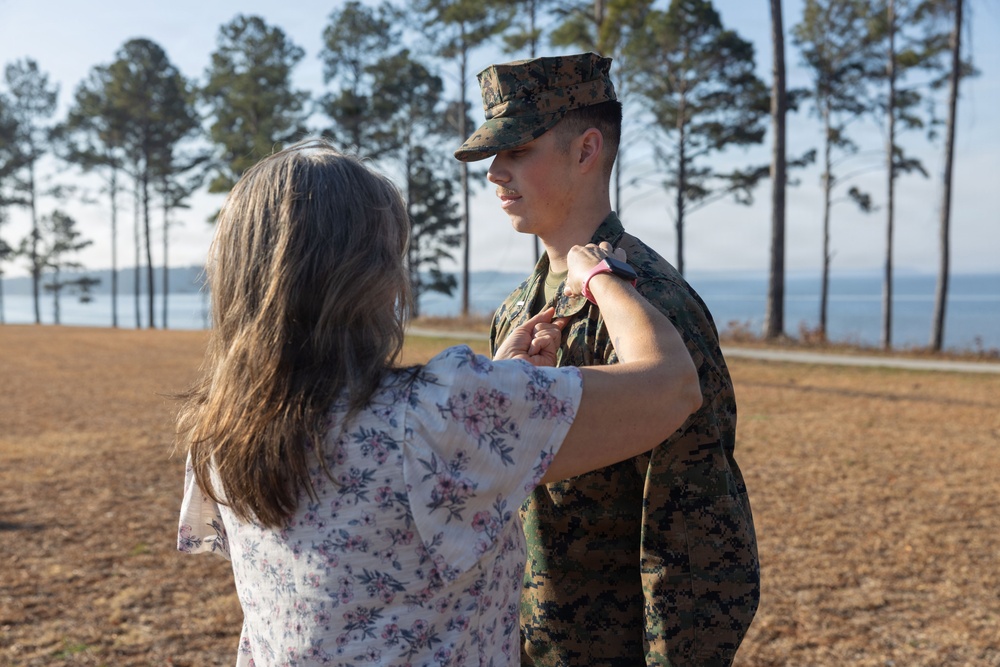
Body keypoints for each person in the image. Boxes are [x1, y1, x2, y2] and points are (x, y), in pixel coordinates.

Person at [175, 138, 703, 667]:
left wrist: (502, 384)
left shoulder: (219, 429)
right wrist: (600, 278)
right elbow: (673, 386)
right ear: (369, 274)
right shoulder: (437, 416)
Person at [454, 53, 760, 666]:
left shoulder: (653, 306)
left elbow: (696, 539)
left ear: (586, 150)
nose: (495, 173)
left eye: (518, 150)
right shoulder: (516, 311)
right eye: (494, 155)